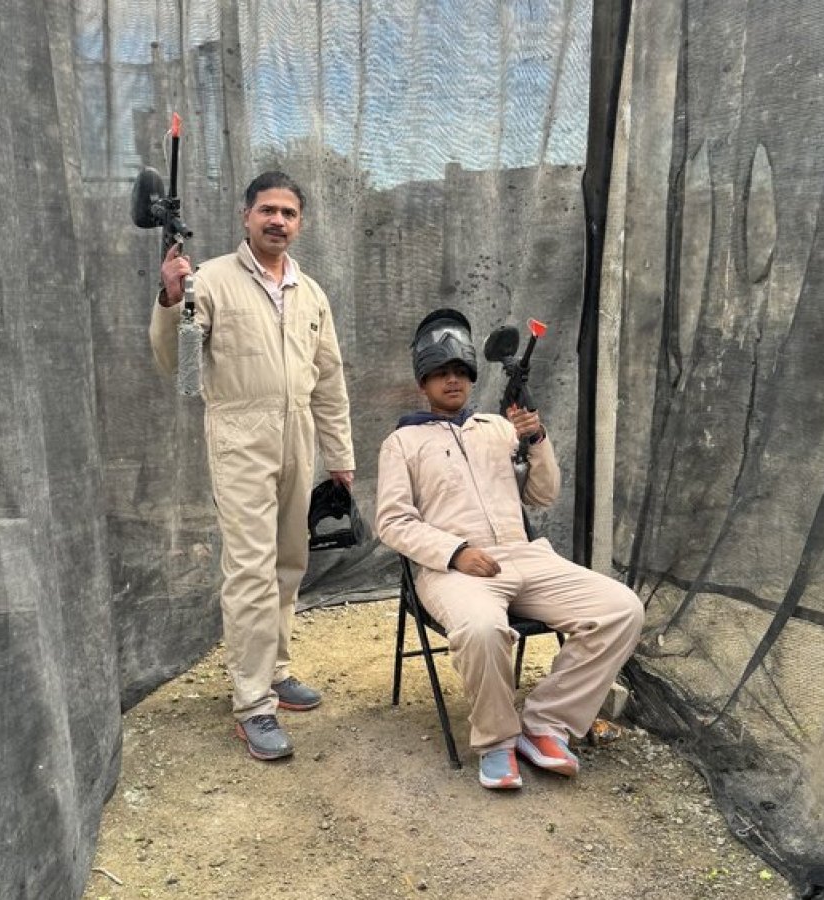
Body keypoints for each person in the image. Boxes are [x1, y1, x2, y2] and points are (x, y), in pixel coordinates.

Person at [375, 308, 643, 790]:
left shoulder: (499, 428)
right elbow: (393, 522)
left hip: (526, 556)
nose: (452, 380)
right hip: (453, 571)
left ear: (472, 376)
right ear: (423, 382)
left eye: (460, 371)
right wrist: (456, 552)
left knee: (621, 609)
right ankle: (497, 740)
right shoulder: (402, 442)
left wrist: (535, 439)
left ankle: (545, 724)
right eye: (440, 373)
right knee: (481, 629)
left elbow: (542, 495)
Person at [150, 171, 355, 761]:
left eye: (288, 213)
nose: (277, 221)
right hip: (240, 438)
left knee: (289, 561)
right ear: (246, 216)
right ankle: (252, 703)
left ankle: (276, 670)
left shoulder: (310, 293)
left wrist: (340, 456)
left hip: (299, 437)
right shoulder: (210, 280)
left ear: (300, 223)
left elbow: (329, 379)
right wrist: (171, 299)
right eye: (268, 210)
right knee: (250, 571)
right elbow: (179, 368)